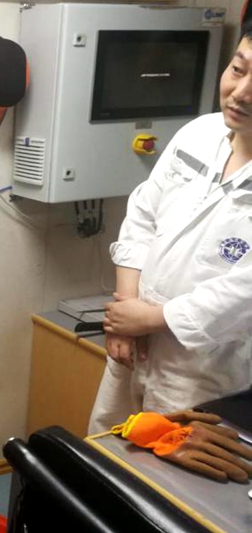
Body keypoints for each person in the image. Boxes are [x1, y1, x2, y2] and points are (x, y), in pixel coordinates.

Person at [88, 24, 252, 434]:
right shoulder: (200, 133)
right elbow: (143, 214)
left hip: (204, 369)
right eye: (238, 69)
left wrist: (150, 319)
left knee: (167, 467)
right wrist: (126, 312)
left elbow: (243, 293)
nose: (241, 93)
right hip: (133, 343)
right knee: (104, 450)